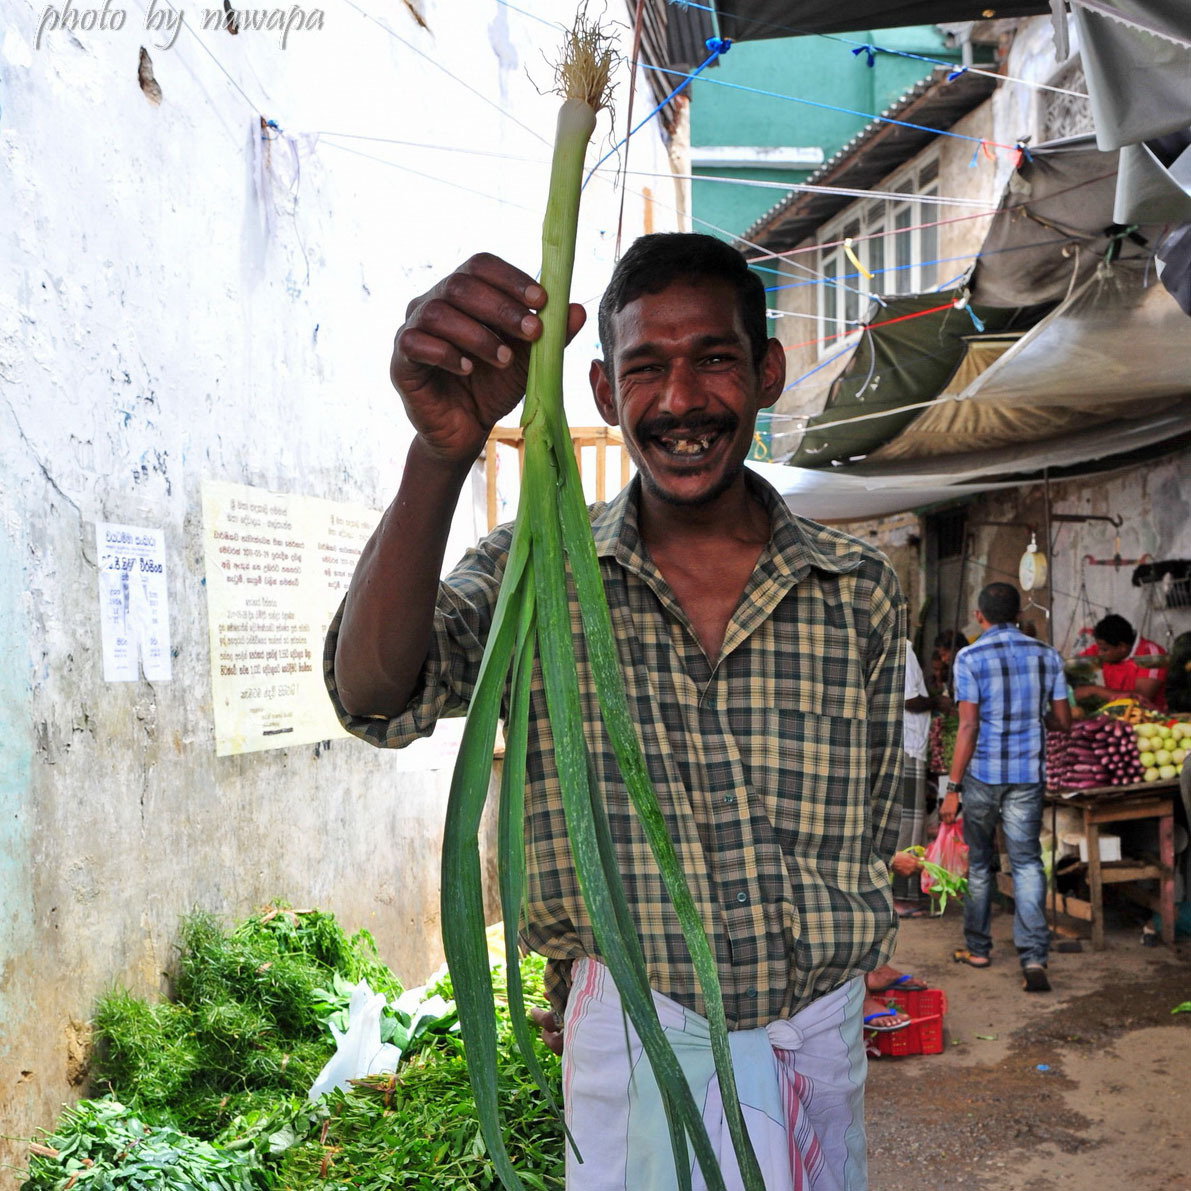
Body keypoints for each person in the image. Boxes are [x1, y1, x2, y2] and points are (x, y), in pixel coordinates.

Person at [326, 234, 907, 1189]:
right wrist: (441, 454)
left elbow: (880, 815)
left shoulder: (858, 588)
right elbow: (374, 693)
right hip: (631, 1058)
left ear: (765, 371)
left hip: (819, 1052)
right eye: (646, 368)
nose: (681, 401)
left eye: (714, 359)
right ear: (603, 392)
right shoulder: (537, 577)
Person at [941, 583, 1071, 993]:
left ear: (980, 616)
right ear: (1017, 613)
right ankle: (1033, 956)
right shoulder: (1047, 656)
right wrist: (1033, 721)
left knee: (981, 865)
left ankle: (978, 949)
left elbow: (968, 725)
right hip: (1027, 776)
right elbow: (1063, 721)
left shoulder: (969, 656)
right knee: (1028, 863)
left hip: (981, 776)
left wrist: (952, 787)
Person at [896, 641, 949, 915]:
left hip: (908, 744)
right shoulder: (901, 649)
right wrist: (937, 701)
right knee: (909, 823)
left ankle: (904, 893)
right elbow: (908, 699)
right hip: (907, 744)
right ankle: (902, 896)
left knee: (910, 821)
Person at [1073, 613, 1167, 710]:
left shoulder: (1152, 655)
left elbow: (1141, 698)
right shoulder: (1107, 646)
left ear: (1122, 647)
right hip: (1115, 714)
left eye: (1104, 649)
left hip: (1149, 718)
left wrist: (1094, 690)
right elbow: (1073, 664)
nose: (1100, 653)